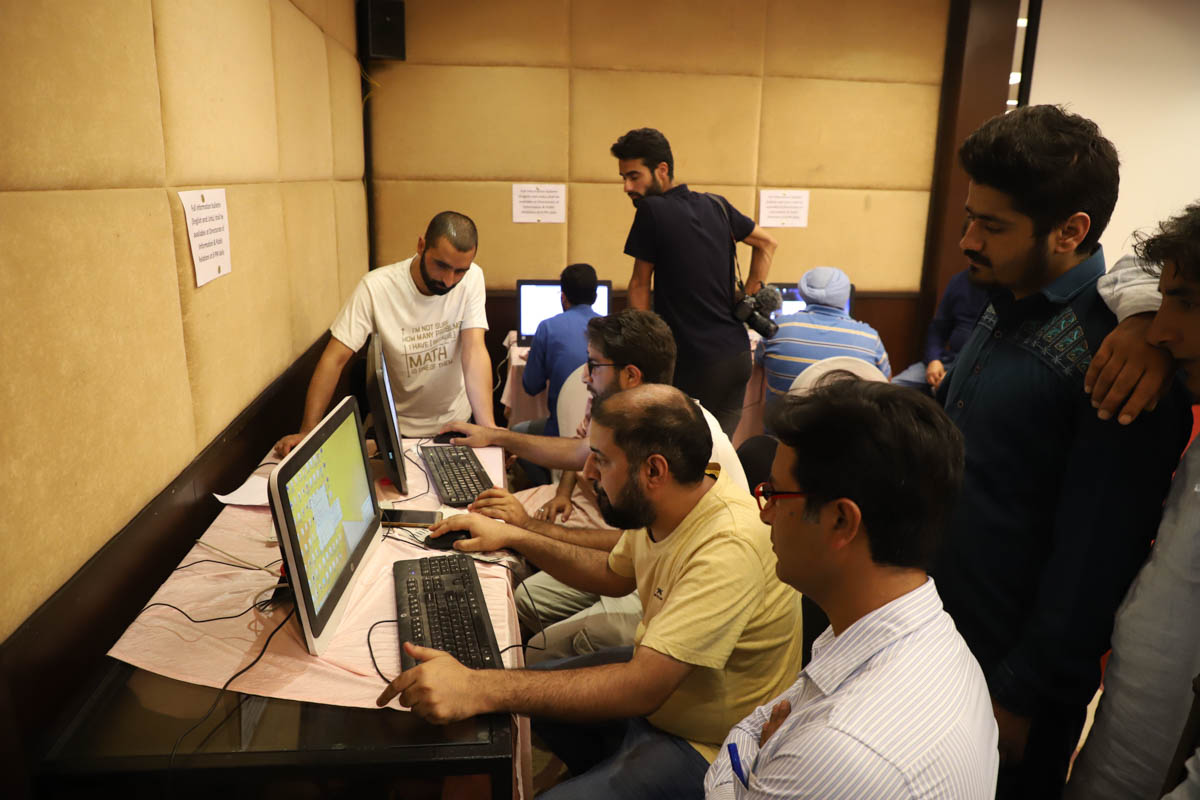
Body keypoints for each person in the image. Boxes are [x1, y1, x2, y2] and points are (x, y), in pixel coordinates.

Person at [931, 104, 1191, 797]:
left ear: (1071, 230)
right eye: (969, 217)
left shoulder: (1116, 355)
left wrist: (1021, 693)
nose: (967, 241)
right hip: (940, 638)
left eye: (992, 225)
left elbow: (1096, 552)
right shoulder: (1006, 295)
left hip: (1008, 679)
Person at [379, 385, 804, 799]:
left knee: (506, 694)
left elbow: (642, 688)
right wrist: (514, 536)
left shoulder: (728, 544)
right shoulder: (677, 499)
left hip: (710, 745)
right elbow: (612, 571)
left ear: (653, 470)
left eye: (600, 459)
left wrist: (477, 687)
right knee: (526, 696)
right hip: (668, 694)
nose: (587, 473)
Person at [705, 377, 998, 800]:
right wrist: (759, 750)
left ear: (842, 521)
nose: (765, 514)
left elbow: (742, 744)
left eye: (776, 494)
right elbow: (756, 725)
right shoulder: (920, 631)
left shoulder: (839, 750)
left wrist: (753, 765)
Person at [460, 309, 748, 663]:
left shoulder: (683, 440)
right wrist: (495, 437)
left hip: (678, 590)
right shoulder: (628, 416)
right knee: (523, 602)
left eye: (594, 364)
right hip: (637, 567)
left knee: (538, 649)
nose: (584, 376)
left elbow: (621, 546)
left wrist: (526, 529)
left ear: (630, 375)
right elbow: (624, 553)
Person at [1065, 202, 1200, 800]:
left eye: (1189, 305)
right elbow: (1129, 268)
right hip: (1126, 732)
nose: (1165, 332)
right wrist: (1145, 311)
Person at [273, 211, 494, 455]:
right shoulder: (376, 287)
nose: (449, 280)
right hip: (397, 428)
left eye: (459, 271)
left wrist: (489, 429)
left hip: (455, 423)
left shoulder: (473, 278)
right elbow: (334, 359)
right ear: (421, 246)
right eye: (441, 265)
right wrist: (308, 431)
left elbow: (474, 350)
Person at [612, 127, 779, 436]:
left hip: (693, 361)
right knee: (718, 454)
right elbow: (767, 243)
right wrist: (750, 297)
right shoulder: (716, 204)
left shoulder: (652, 210)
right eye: (623, 178)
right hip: (737, 357)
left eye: (634, 176)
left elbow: (638, 285)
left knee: (678, 457)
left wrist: (643, 353)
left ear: (661, 170)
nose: (627, 187)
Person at [512, 263, 601, 485]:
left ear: (563, 297)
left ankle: (546, 484)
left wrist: (538, 358)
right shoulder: (610, 330)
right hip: (598, 433)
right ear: (596, 296)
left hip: (559, 432)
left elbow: (531, 387)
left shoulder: (548, 328)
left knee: (516, 433)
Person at [759, 267, 890, 401]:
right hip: (849, 420)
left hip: (783, 420)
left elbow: (756, 375)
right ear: (844, 294)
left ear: (803, 291)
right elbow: (885, 383)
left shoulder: (774, 330)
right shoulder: (870, 338)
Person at [892, 268, 989, 395]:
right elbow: (938, 329)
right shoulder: (959, 280)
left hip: (977, 370)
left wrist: (955, 375)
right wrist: (934, 360)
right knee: (891, 389)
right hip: (946, 361)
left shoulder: (1006, 288)